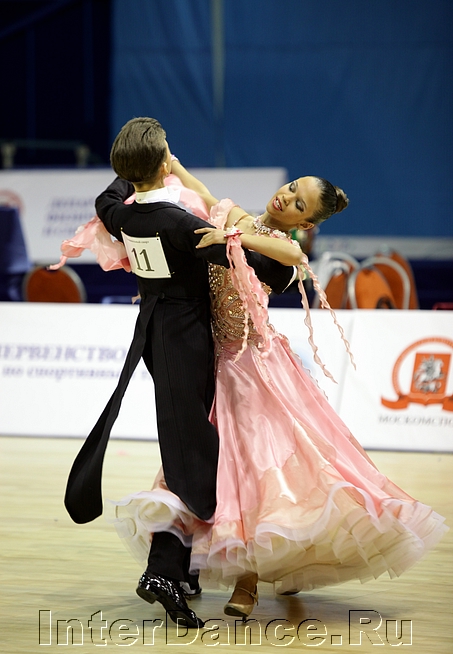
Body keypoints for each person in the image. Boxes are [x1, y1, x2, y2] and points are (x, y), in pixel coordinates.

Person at [110, 161, 448, 622]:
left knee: (256, 470)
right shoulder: (240, 219)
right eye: (290, 188)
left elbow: (292, 256)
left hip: (254, 368)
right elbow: (204, 193)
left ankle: (248, 578)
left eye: (298, 203)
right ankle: (179, 564)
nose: (285, 197)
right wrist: (174, 165)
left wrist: (231, 235)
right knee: (206, 465)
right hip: (211, 362)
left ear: (304, 223)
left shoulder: (280, 248)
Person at [62, 117, 298, 629]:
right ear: (163, 162)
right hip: (186, 343)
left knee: (191, 449)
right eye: (167, 151)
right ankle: (165, 571)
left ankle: (178, 565)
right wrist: (281, 257)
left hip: (154, 334)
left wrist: (136, 167)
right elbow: (260, 266)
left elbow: (108, 194)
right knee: (192, 455)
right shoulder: (179, 223)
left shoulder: (120, 213)